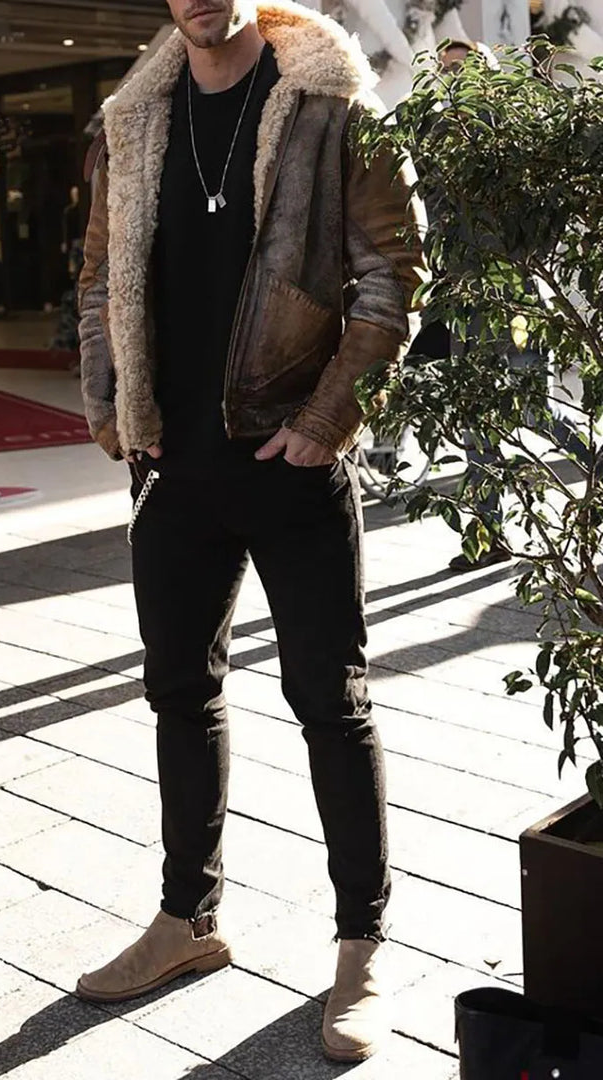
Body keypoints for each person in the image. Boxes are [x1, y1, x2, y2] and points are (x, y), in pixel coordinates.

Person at [76, 0, 424, 1063]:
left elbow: (395, 274)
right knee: (178, 694)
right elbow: (98, 280)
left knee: (332, 702)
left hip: (288, 457)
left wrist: (326, 422)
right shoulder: (133, 121)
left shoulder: (330, 105)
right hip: (171, 467)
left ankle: (362, 945)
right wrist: (112, 407)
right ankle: (188, 920)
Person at [430, 43, 596, 574]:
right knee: (475, 415)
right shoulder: (436, 136)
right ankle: (489, 533)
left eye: (464, 67)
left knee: (532, 409)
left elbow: (545, 212)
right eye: (446, 70)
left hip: (517, 300)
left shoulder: (513, 135)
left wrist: (522, 263)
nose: (454, 77)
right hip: (465, 303)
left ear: (488, 73)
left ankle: (595, 470)